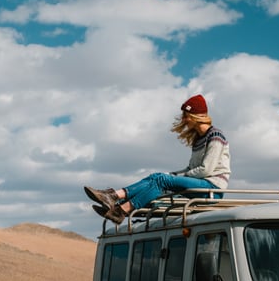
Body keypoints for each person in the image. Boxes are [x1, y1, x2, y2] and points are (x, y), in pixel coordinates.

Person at [84, 94, 230, 224]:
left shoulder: (215, 136)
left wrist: (172, 178)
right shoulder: (199, 139)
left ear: (196, 116)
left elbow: (206, 169)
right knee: (157, 177)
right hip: (200, 184)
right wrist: (172, 176)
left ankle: (116, 200)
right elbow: (191, 168)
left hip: (212, 187)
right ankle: (117, 205)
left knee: (161, 179)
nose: (184, 120)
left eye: (186, 116)